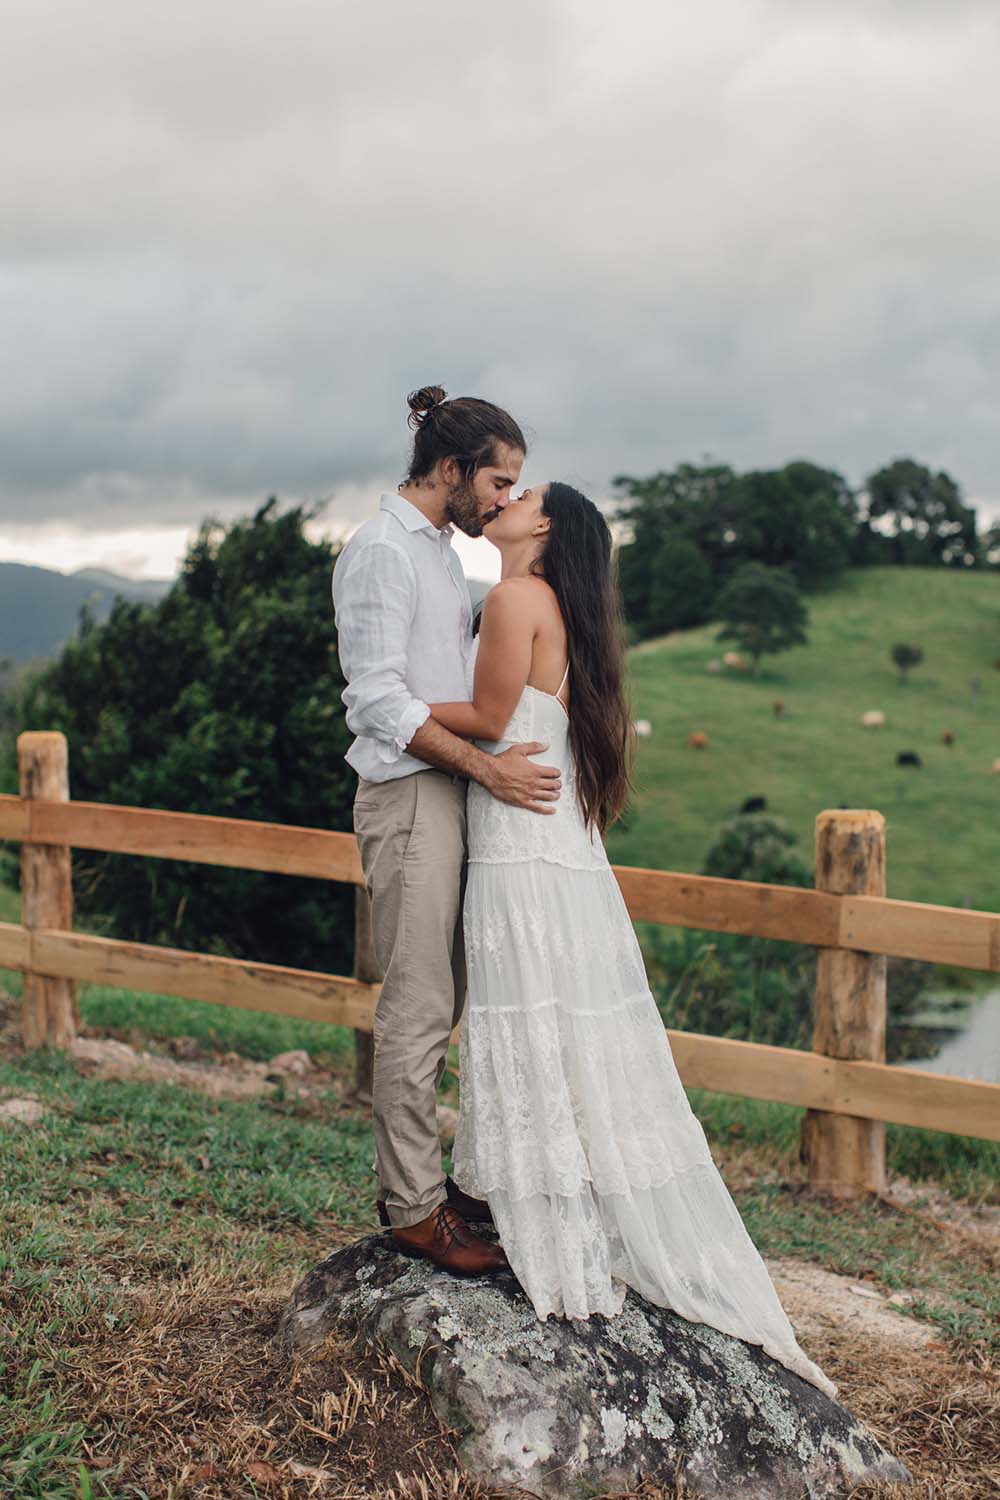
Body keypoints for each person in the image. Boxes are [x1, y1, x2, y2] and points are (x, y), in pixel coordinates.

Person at [425, 481, 838, 1399]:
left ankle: (529, 1206)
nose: (503, 498)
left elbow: (488, 724)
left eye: (521, 495)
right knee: (569, 1023)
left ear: (546, 529)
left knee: (526, 1017)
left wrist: (393, 701)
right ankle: (542, 1195)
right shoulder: (565, 613)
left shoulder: (514, 599)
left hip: (520, 852)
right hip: (561, 850)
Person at [331, 386, 561, 1278]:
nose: (504, 499)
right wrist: (491, 770)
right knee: (418, 1004)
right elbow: (377, 700)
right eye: (498, 480)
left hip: (449, 788)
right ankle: (413, 1208)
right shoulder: (382, 550)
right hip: (412, 793)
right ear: (454, 469)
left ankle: (430, 1182)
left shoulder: (438, 554)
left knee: (450, 996)